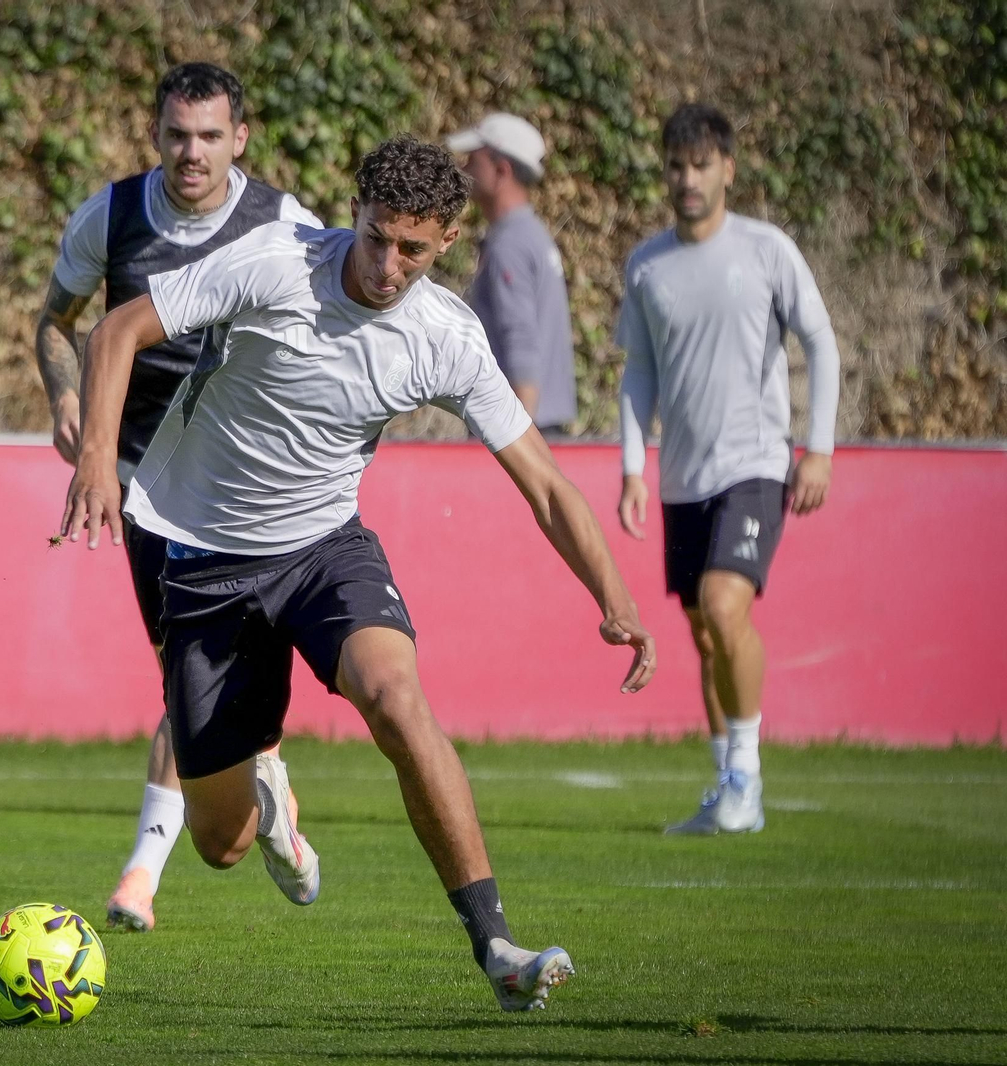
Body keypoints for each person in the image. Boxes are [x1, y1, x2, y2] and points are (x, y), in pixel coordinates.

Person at [61, 135, 656, 1012]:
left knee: (398, 699)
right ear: (356, 214)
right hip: (206, 560)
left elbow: (545, 483)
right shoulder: (273, 263)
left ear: (447, 240)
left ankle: (494, 941)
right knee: (222, 844)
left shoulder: (444, 337)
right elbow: (118, 330)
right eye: (376, 236)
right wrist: (97, 462)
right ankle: (271, 792)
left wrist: (613, 595)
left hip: (323, 552)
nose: (386, 263)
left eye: (411, 248)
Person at [33, 61, 324, 932]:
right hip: (141, 487)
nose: (191, 154)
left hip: (244, 485)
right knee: (195, 681)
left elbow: (326, 338)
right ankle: (265, 784)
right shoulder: (113, 216)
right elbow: (56, 319)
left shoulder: (286, 226)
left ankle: (140, 876)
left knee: (195, 675)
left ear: (240, 138)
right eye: (176, 136)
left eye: (209, 137)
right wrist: (67, 401)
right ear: (156, 134)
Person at [615, 103, 840, 835]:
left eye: (701, 164)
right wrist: (633, 468)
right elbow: (638, 371)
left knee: (722, 604)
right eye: (676, 165)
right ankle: (727, 790)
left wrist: (820, 448)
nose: (688, 178)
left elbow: (822, 343)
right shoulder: (647, 264)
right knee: (704, 634)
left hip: (756, 463)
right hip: (683, 477)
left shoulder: (766, 249)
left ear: (728, 171)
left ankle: (748, 777)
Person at [447, 113, 577, 436]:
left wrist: (521, 441)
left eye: (472, 161)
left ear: (501, 170)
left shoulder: (510, 243)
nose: (464, 169)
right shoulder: (530, 234)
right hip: (539, 427)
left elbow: (520, 338)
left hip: (520, 430)